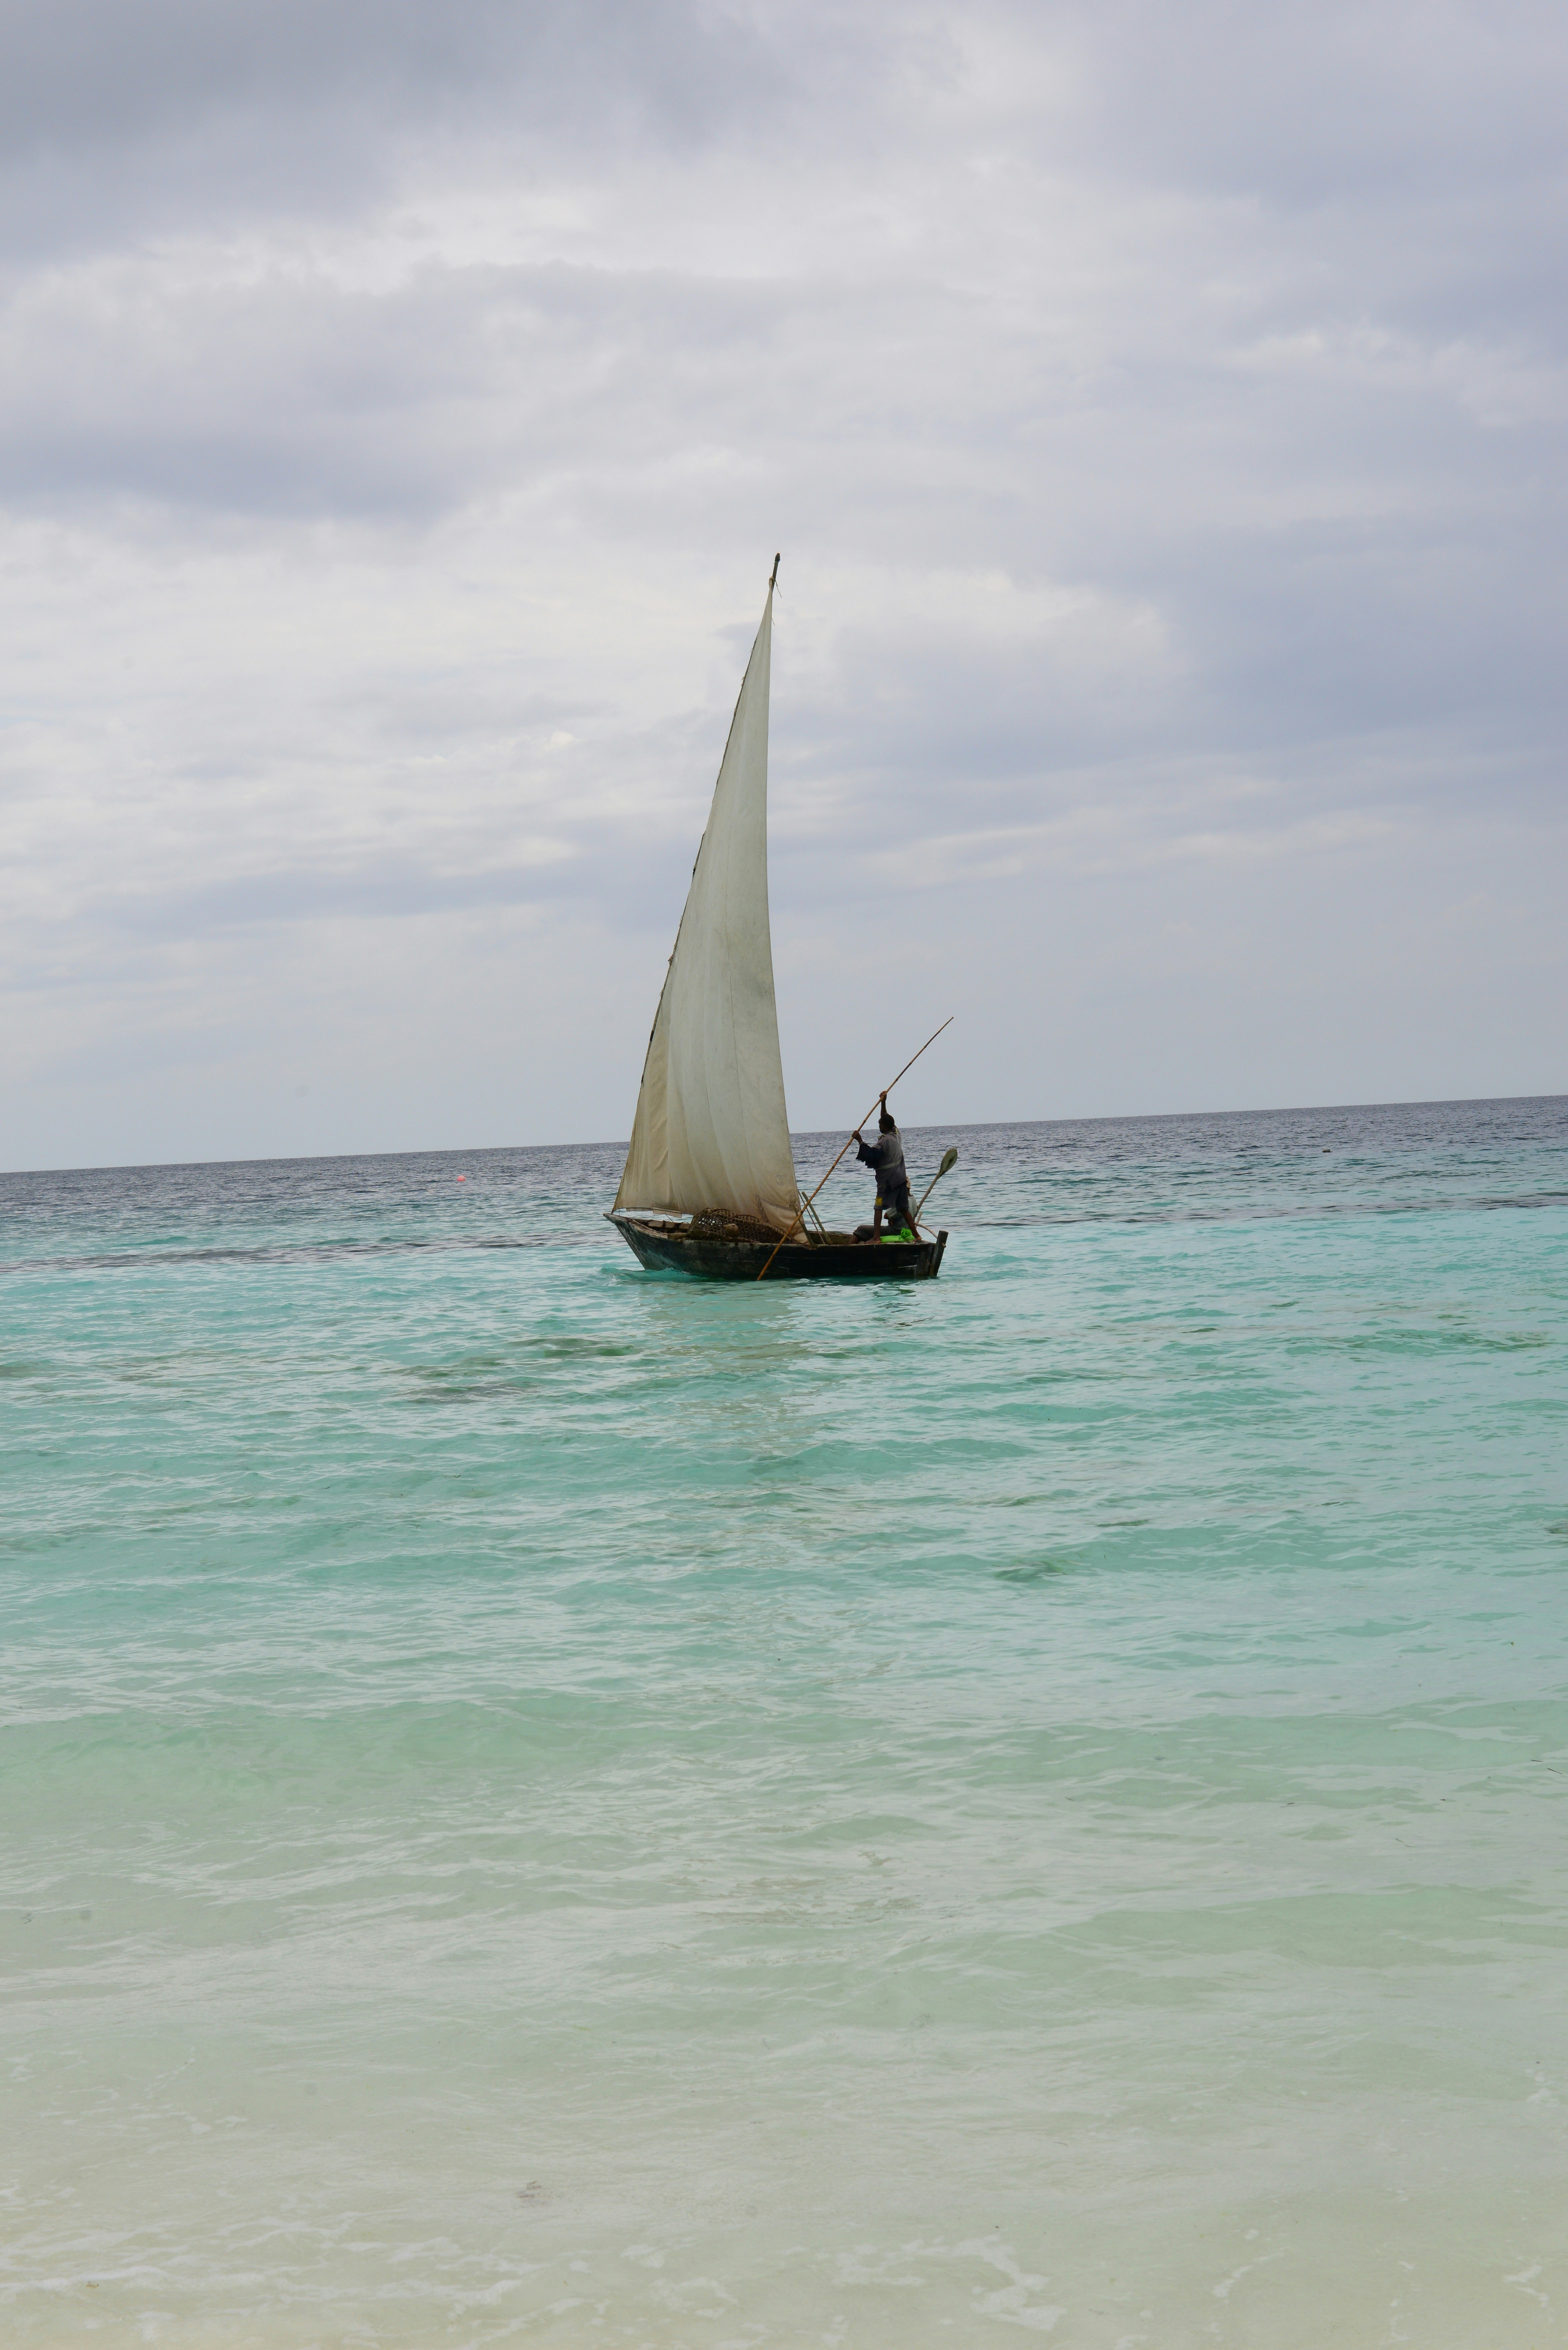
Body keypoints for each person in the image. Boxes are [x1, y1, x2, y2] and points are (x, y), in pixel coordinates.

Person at [853, 1094, 917, 1240]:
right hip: (900, 1181)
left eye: (880, 1125)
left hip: (887, 1183)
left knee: (878, 1207)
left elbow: (871, 1155)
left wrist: (860, 1140)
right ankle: (917, 1235)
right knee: (903, 1207)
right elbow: (886, 1117)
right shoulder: (897, 1134)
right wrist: (884, 1102)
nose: (879, 1126)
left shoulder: (885, 1142)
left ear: (885, 1126)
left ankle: (876, 1237)